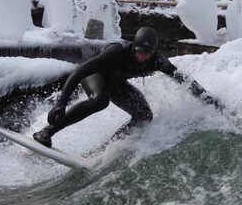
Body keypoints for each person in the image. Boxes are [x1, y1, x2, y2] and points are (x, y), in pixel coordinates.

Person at [33, 27, 217, 147]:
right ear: (133, 47)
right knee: (100, 101)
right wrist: (60, 103)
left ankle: (106, 149)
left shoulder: (158, 61)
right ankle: (47, 131)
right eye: (139, 52)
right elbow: (80, 71)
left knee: (144, 116)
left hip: (117, 83)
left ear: (153, 51)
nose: (142, 57)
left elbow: (182, 79)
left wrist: (206, 97)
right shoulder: (118, 51)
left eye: (147, 53)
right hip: (94, 75)